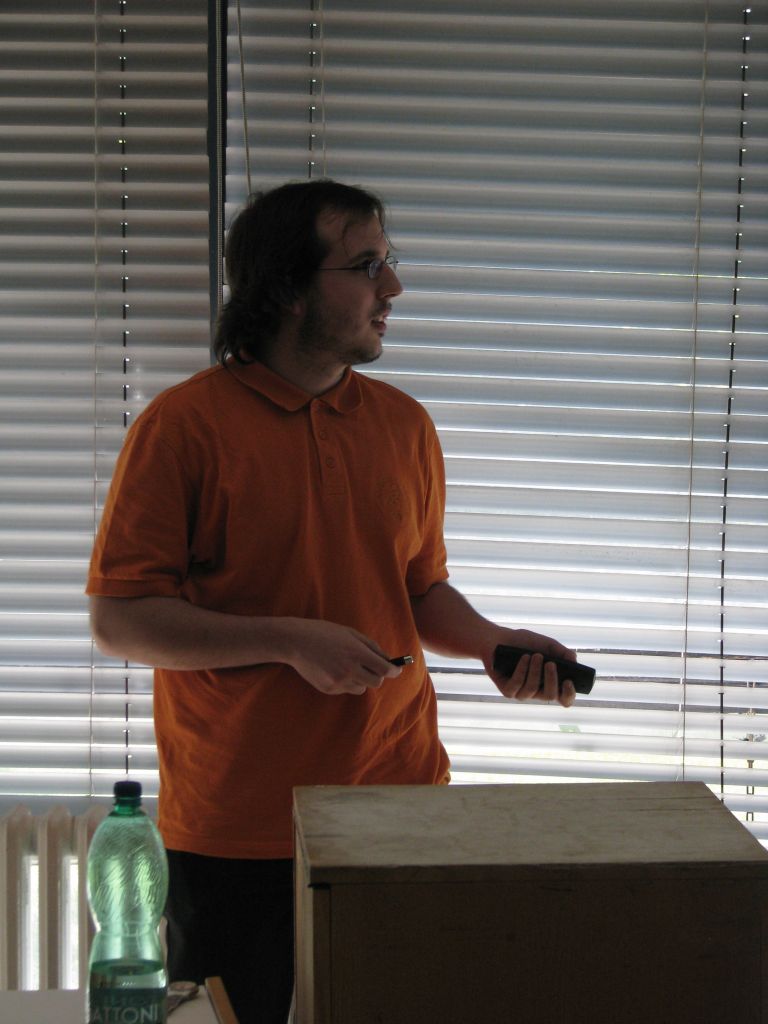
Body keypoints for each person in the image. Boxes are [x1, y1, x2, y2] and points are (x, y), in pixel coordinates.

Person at [86, 179, 578, 1024]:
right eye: (365, 267)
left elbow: (418, 587)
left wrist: (494, 643)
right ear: (286, 288)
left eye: (388, 263)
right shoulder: (182, 428)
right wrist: (288, 640)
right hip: (239, 825)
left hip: (398, 802)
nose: (393, 289)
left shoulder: (405, 425)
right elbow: (120, 617)